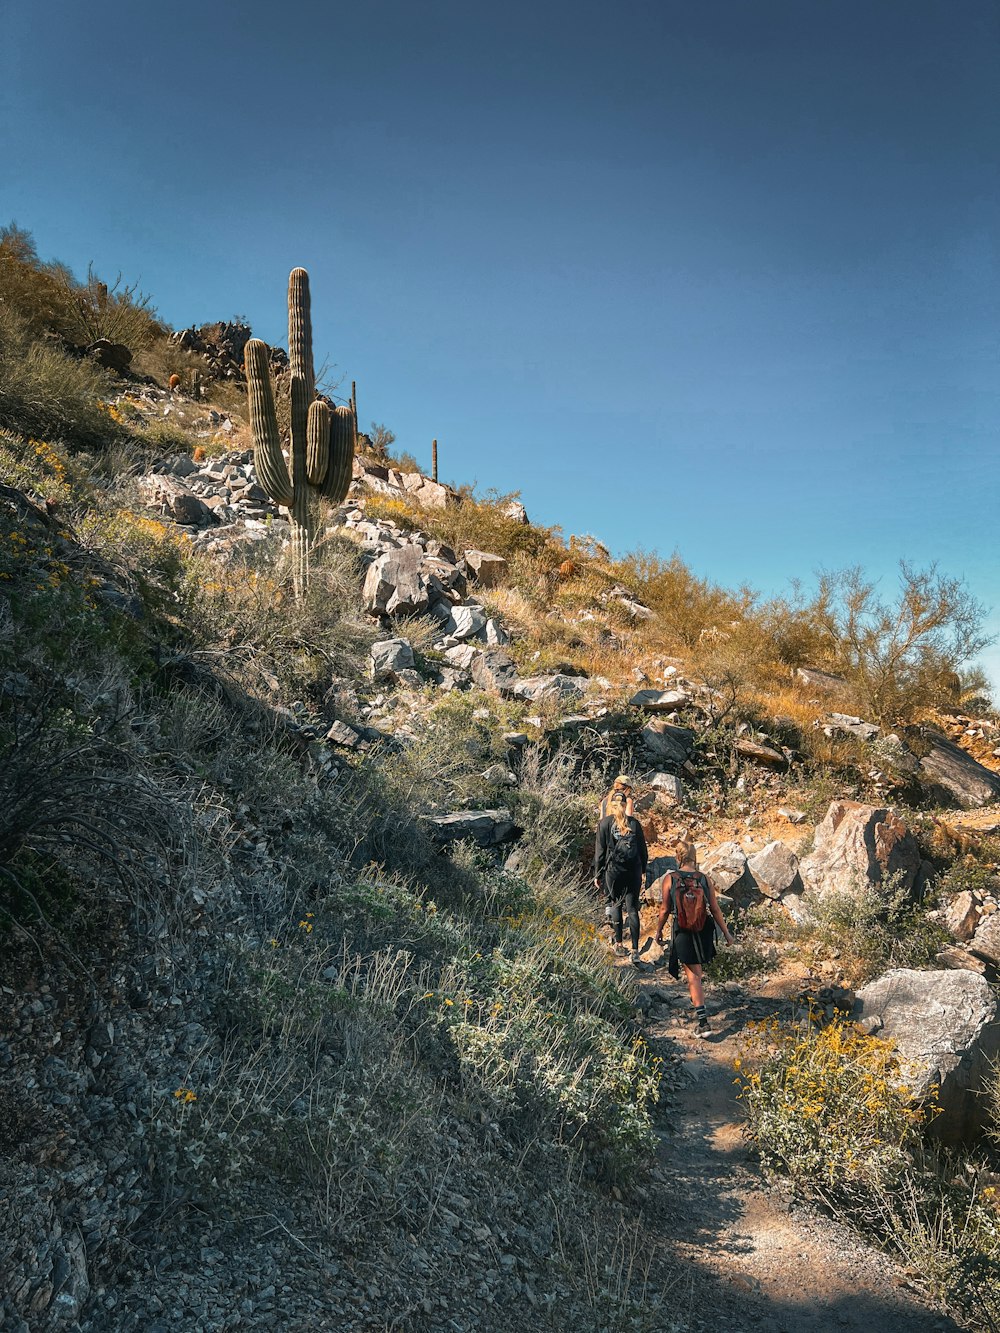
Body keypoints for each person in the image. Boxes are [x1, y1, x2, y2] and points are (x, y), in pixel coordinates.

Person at [654, 844, 733, 1037]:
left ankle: (703, 1022)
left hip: (683, 930)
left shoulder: (670, 879)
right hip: (702, 929)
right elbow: (714, 909)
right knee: (696, 973)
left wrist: (658, 931)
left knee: (693, 976)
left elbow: (665, 909)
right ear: (694, 857)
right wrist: (727, 934)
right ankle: (700, 1011)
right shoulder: (704, 879)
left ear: (678, 856)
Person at [593, 792, 648, 965]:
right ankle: (635, 950)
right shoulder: (635, 824)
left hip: (614, 871)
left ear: (610, 804)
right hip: (633, 872)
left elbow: (600, 853)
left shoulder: (605, 823)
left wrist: (598, 873)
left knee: (616, 904)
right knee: (632, 909)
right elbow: (643, 851)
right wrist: (643, 870)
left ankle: (618, 944)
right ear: (626, 805)